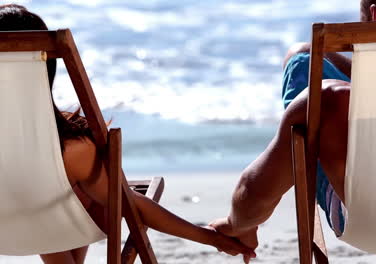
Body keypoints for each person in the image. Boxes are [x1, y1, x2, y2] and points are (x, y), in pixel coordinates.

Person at [210, 1, 376, 264]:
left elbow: (254, 192)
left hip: (374, 229)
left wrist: (239, 225)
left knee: (302, 60)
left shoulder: (329, 100)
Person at [0, 4, 256, 264]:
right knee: (83, 189)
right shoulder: (73, 149)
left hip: (7, 227)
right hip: (41, 206)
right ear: (47, 66)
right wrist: (210, 237)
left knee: (33, 190)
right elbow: (129, 206)